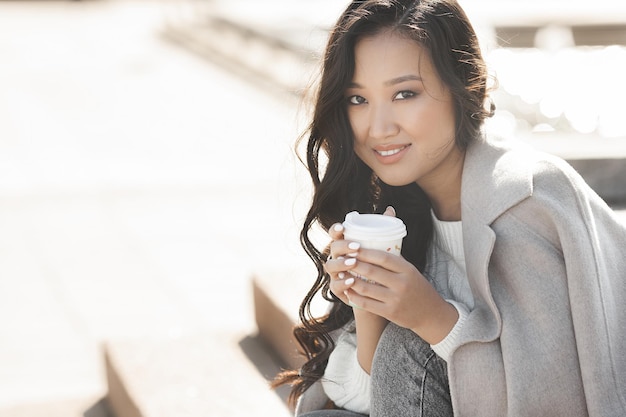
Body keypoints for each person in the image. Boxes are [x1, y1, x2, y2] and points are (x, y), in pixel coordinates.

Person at [272, 0, 626, 416]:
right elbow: (361, 398)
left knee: (407, 348)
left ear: (465, 87)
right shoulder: (400, 207)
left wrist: (434, 320)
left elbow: (560, 401)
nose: (379, 127)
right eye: (357, 99)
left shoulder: (525, 202)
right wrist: (369, 299)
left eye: (405, 94)